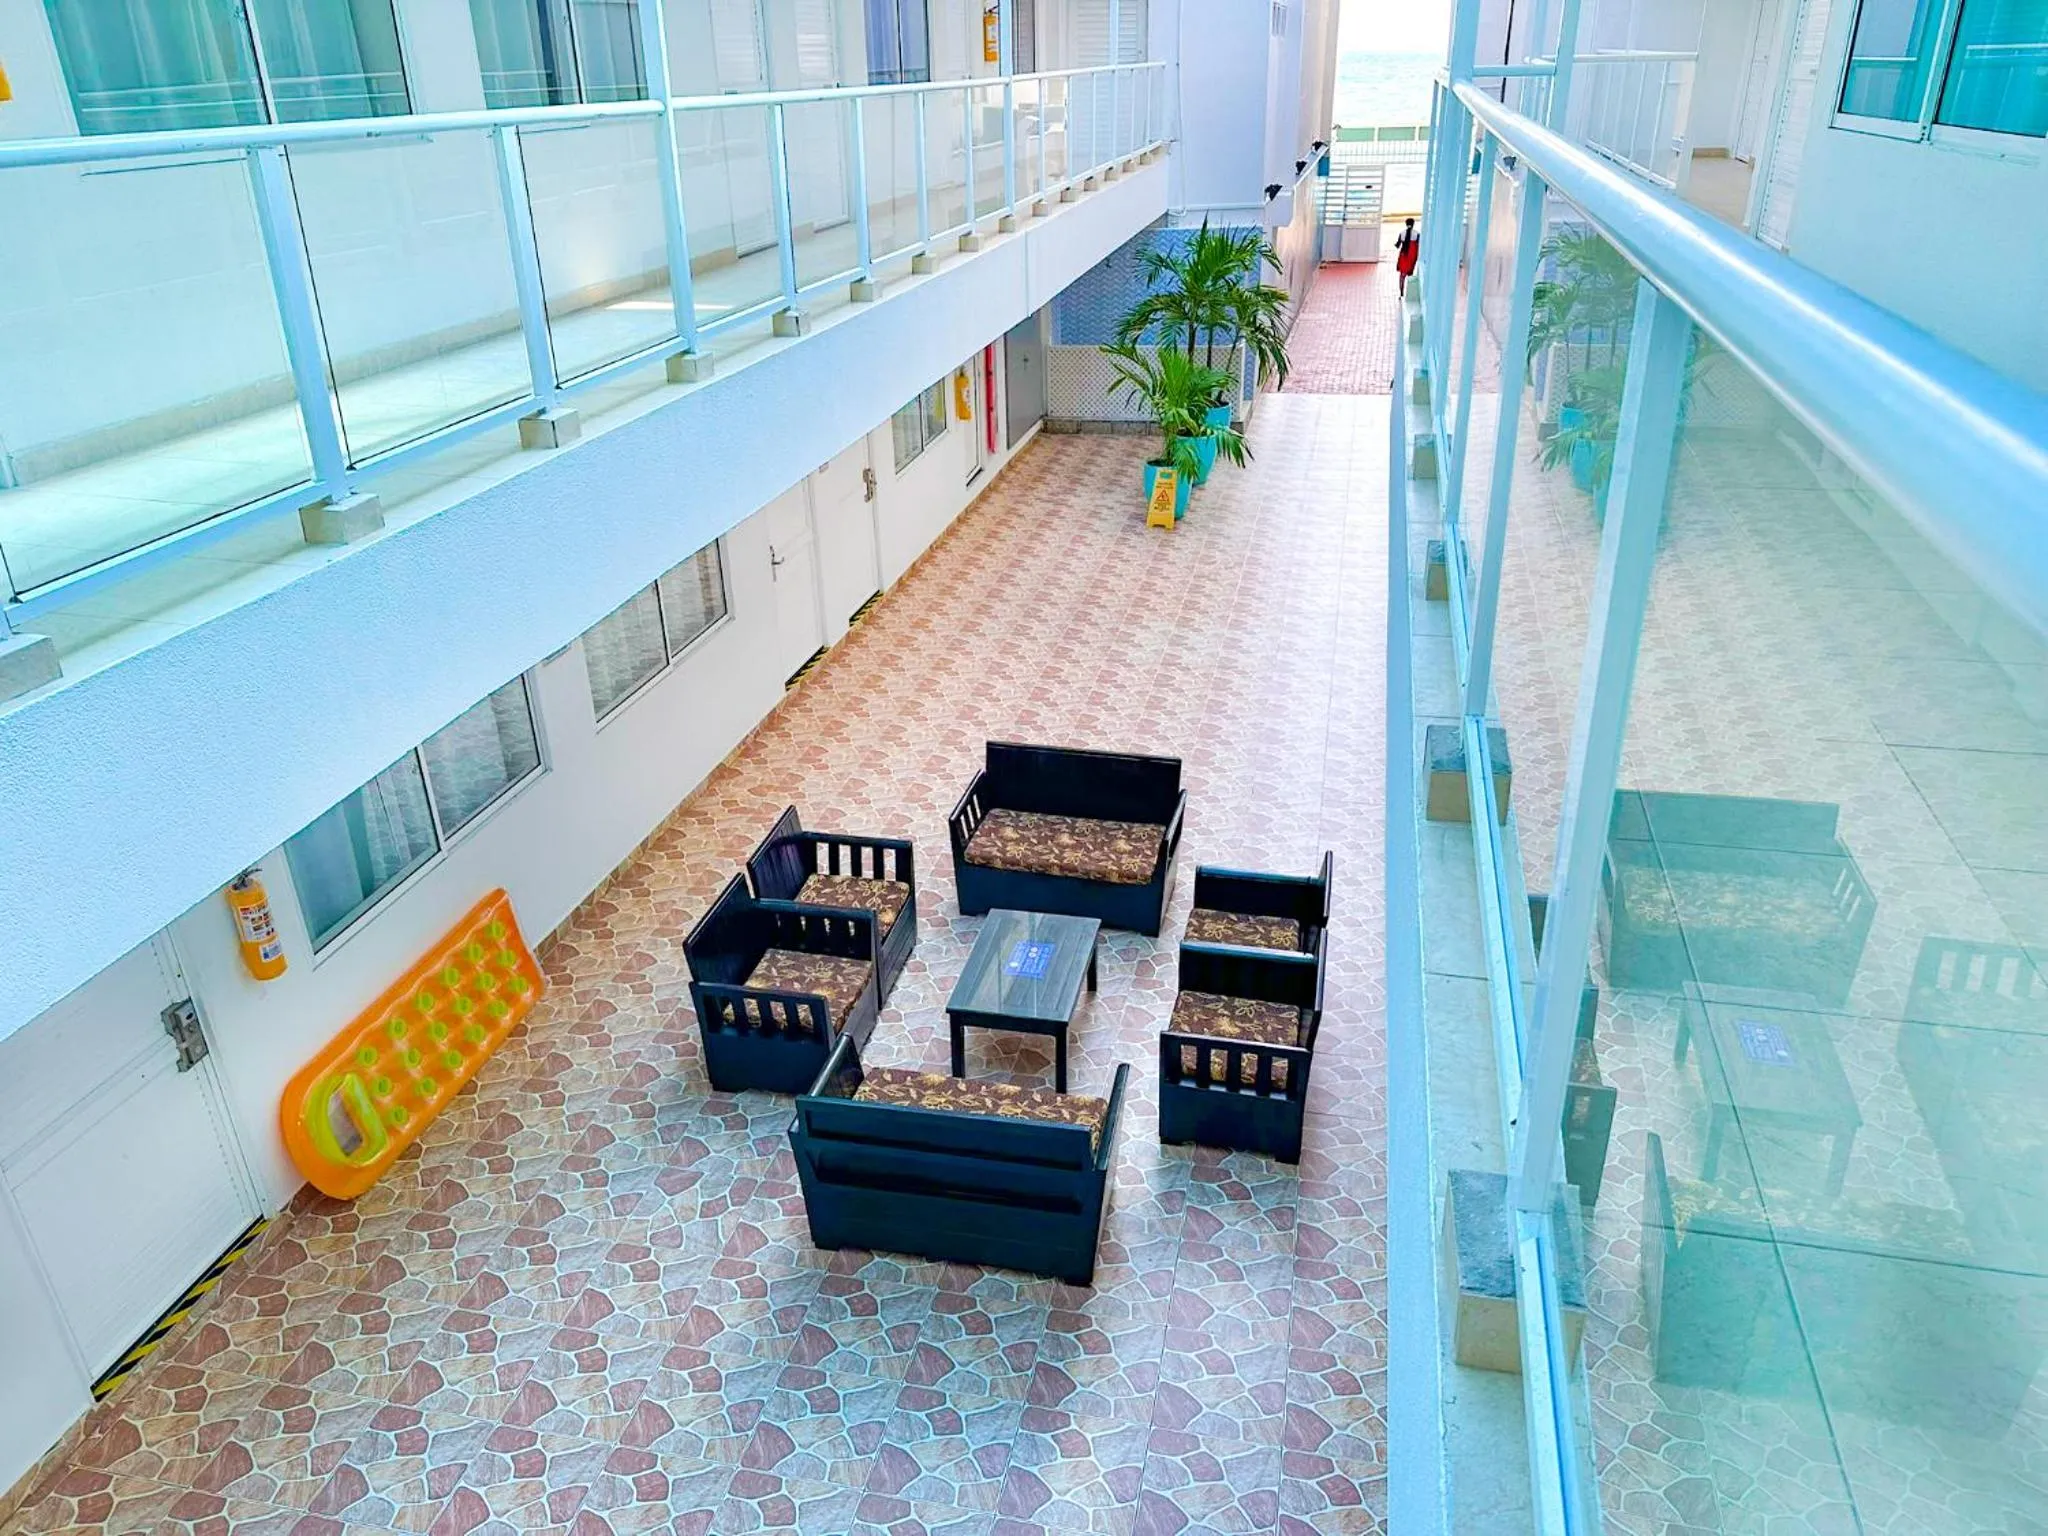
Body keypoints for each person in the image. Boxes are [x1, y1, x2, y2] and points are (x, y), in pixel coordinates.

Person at [1394, 218, 1419, 297]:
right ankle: (1409, 292)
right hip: (1412, 256)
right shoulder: (1417, 234)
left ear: (1406, 224)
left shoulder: (1402, 233)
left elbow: (1398, 245)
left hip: (1404, 255)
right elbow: (1419, 245)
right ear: (1413, 224)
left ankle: (1401, 292)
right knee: (1410, 273)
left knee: (1402, 274)